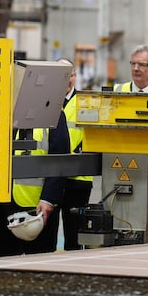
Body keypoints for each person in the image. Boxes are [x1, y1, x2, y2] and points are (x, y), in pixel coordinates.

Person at [0, 94, 70, 257]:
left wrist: (48, 199)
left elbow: (60, 161)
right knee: (3, 259)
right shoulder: (3, 110)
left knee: (39, 260)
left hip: (38, 207)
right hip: (2, 203)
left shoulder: (53, 114)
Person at [57, 57, 93, 250]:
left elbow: (93, 134)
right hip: (52, 175)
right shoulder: (44, 101)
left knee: (74, 233)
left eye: (69, 75)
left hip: (78, 177)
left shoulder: (85, 102)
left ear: (75, 77)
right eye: (60, 75)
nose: (65, 79)